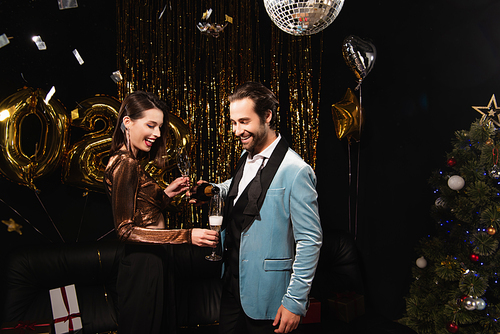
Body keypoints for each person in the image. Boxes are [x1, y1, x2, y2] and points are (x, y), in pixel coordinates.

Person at [191, 82, 322, 334]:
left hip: (269, 293)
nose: (236, 130)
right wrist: (212, 190)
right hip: (233, 283)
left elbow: (310, 240)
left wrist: (295, 302)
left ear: (267, 116)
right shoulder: (246, 156)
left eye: (243, 121)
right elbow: (239, 186)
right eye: (232, 123)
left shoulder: (296, 171)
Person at [103, 91, 219, 334]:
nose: (156, 133)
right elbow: (124, 230)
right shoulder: (126, 164)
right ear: (128, 122)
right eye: (150, 125)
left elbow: (142, 212)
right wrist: (187, 236)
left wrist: (166, 194)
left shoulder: (129, 161)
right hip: (143, 262)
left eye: (159, 127)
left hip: (153, 259)